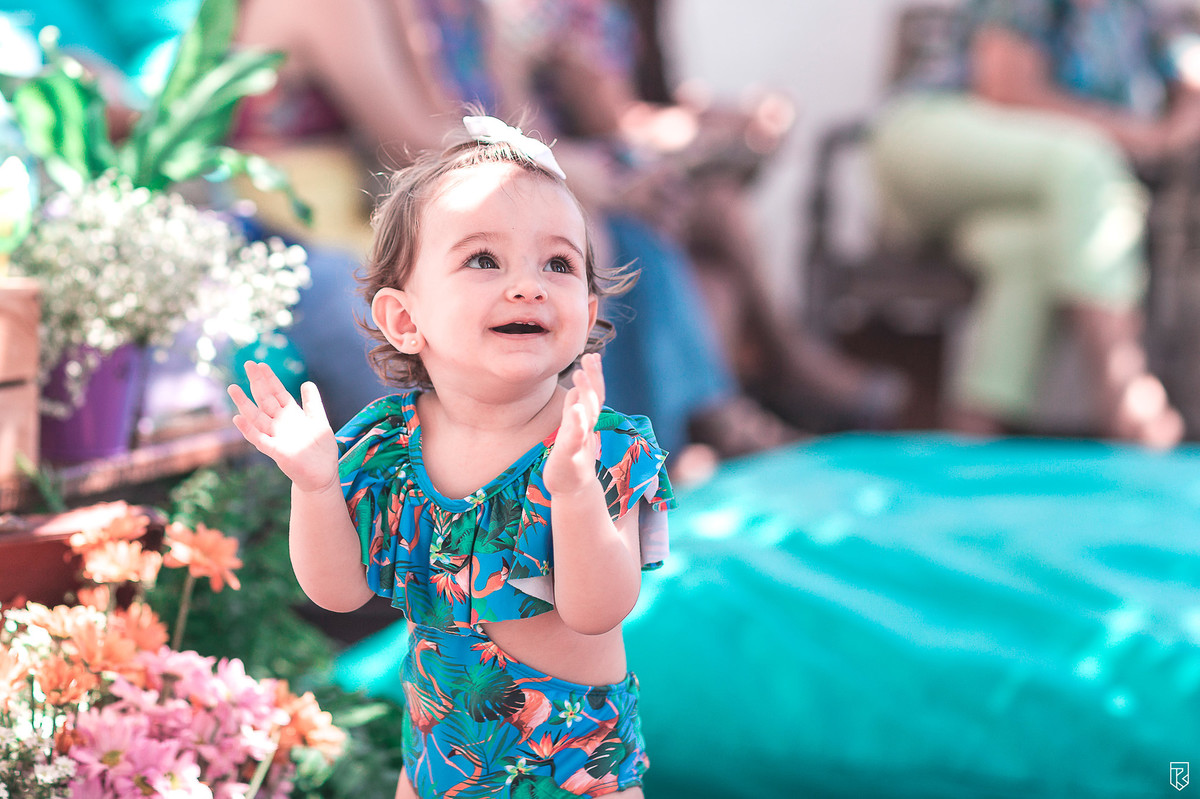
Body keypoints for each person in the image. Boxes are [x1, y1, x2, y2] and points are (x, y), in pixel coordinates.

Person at [227, 117, 673, 798]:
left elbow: (600, 608)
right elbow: (339, 592)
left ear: (586, 315)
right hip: (441, 766)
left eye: (558, 264)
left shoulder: (599, 446)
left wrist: (576, 491)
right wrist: (315, 486)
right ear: (405, 320)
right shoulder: (388, 447)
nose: (528, 285)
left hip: (574, 772)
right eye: (484, 260)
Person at [867, 0, 1192, 447]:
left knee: (1032, 249)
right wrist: (1147, 139)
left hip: (1020, 194)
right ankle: (1121, 384)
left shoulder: (1148, 13)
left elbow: (1191, 75)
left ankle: (973, 441)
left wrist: (1179, 118)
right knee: (1088, 163)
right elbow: (1006, 89)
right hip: (931, 137)